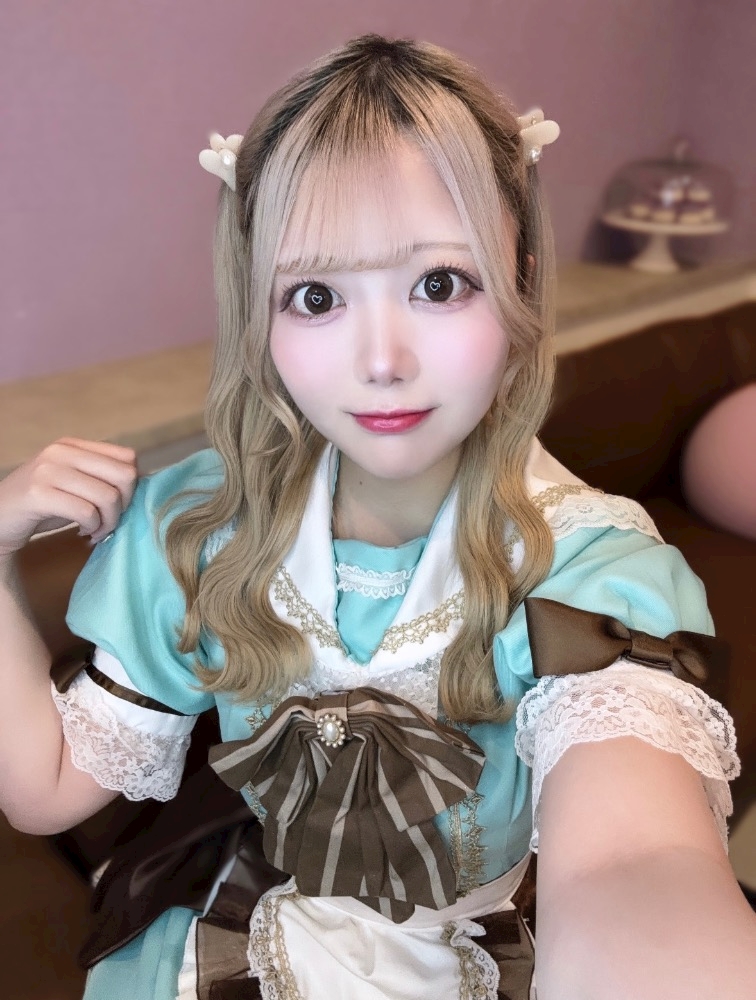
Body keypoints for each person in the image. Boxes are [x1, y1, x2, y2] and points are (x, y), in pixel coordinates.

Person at [0, 35, 754, 1000]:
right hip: (238, 937)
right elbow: (49, 787)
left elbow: (635, 861)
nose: (382, 360)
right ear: (259, 312)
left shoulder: (589, 572)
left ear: (520, 279)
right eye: (315, 297)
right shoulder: (199, 528)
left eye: (439, 284)